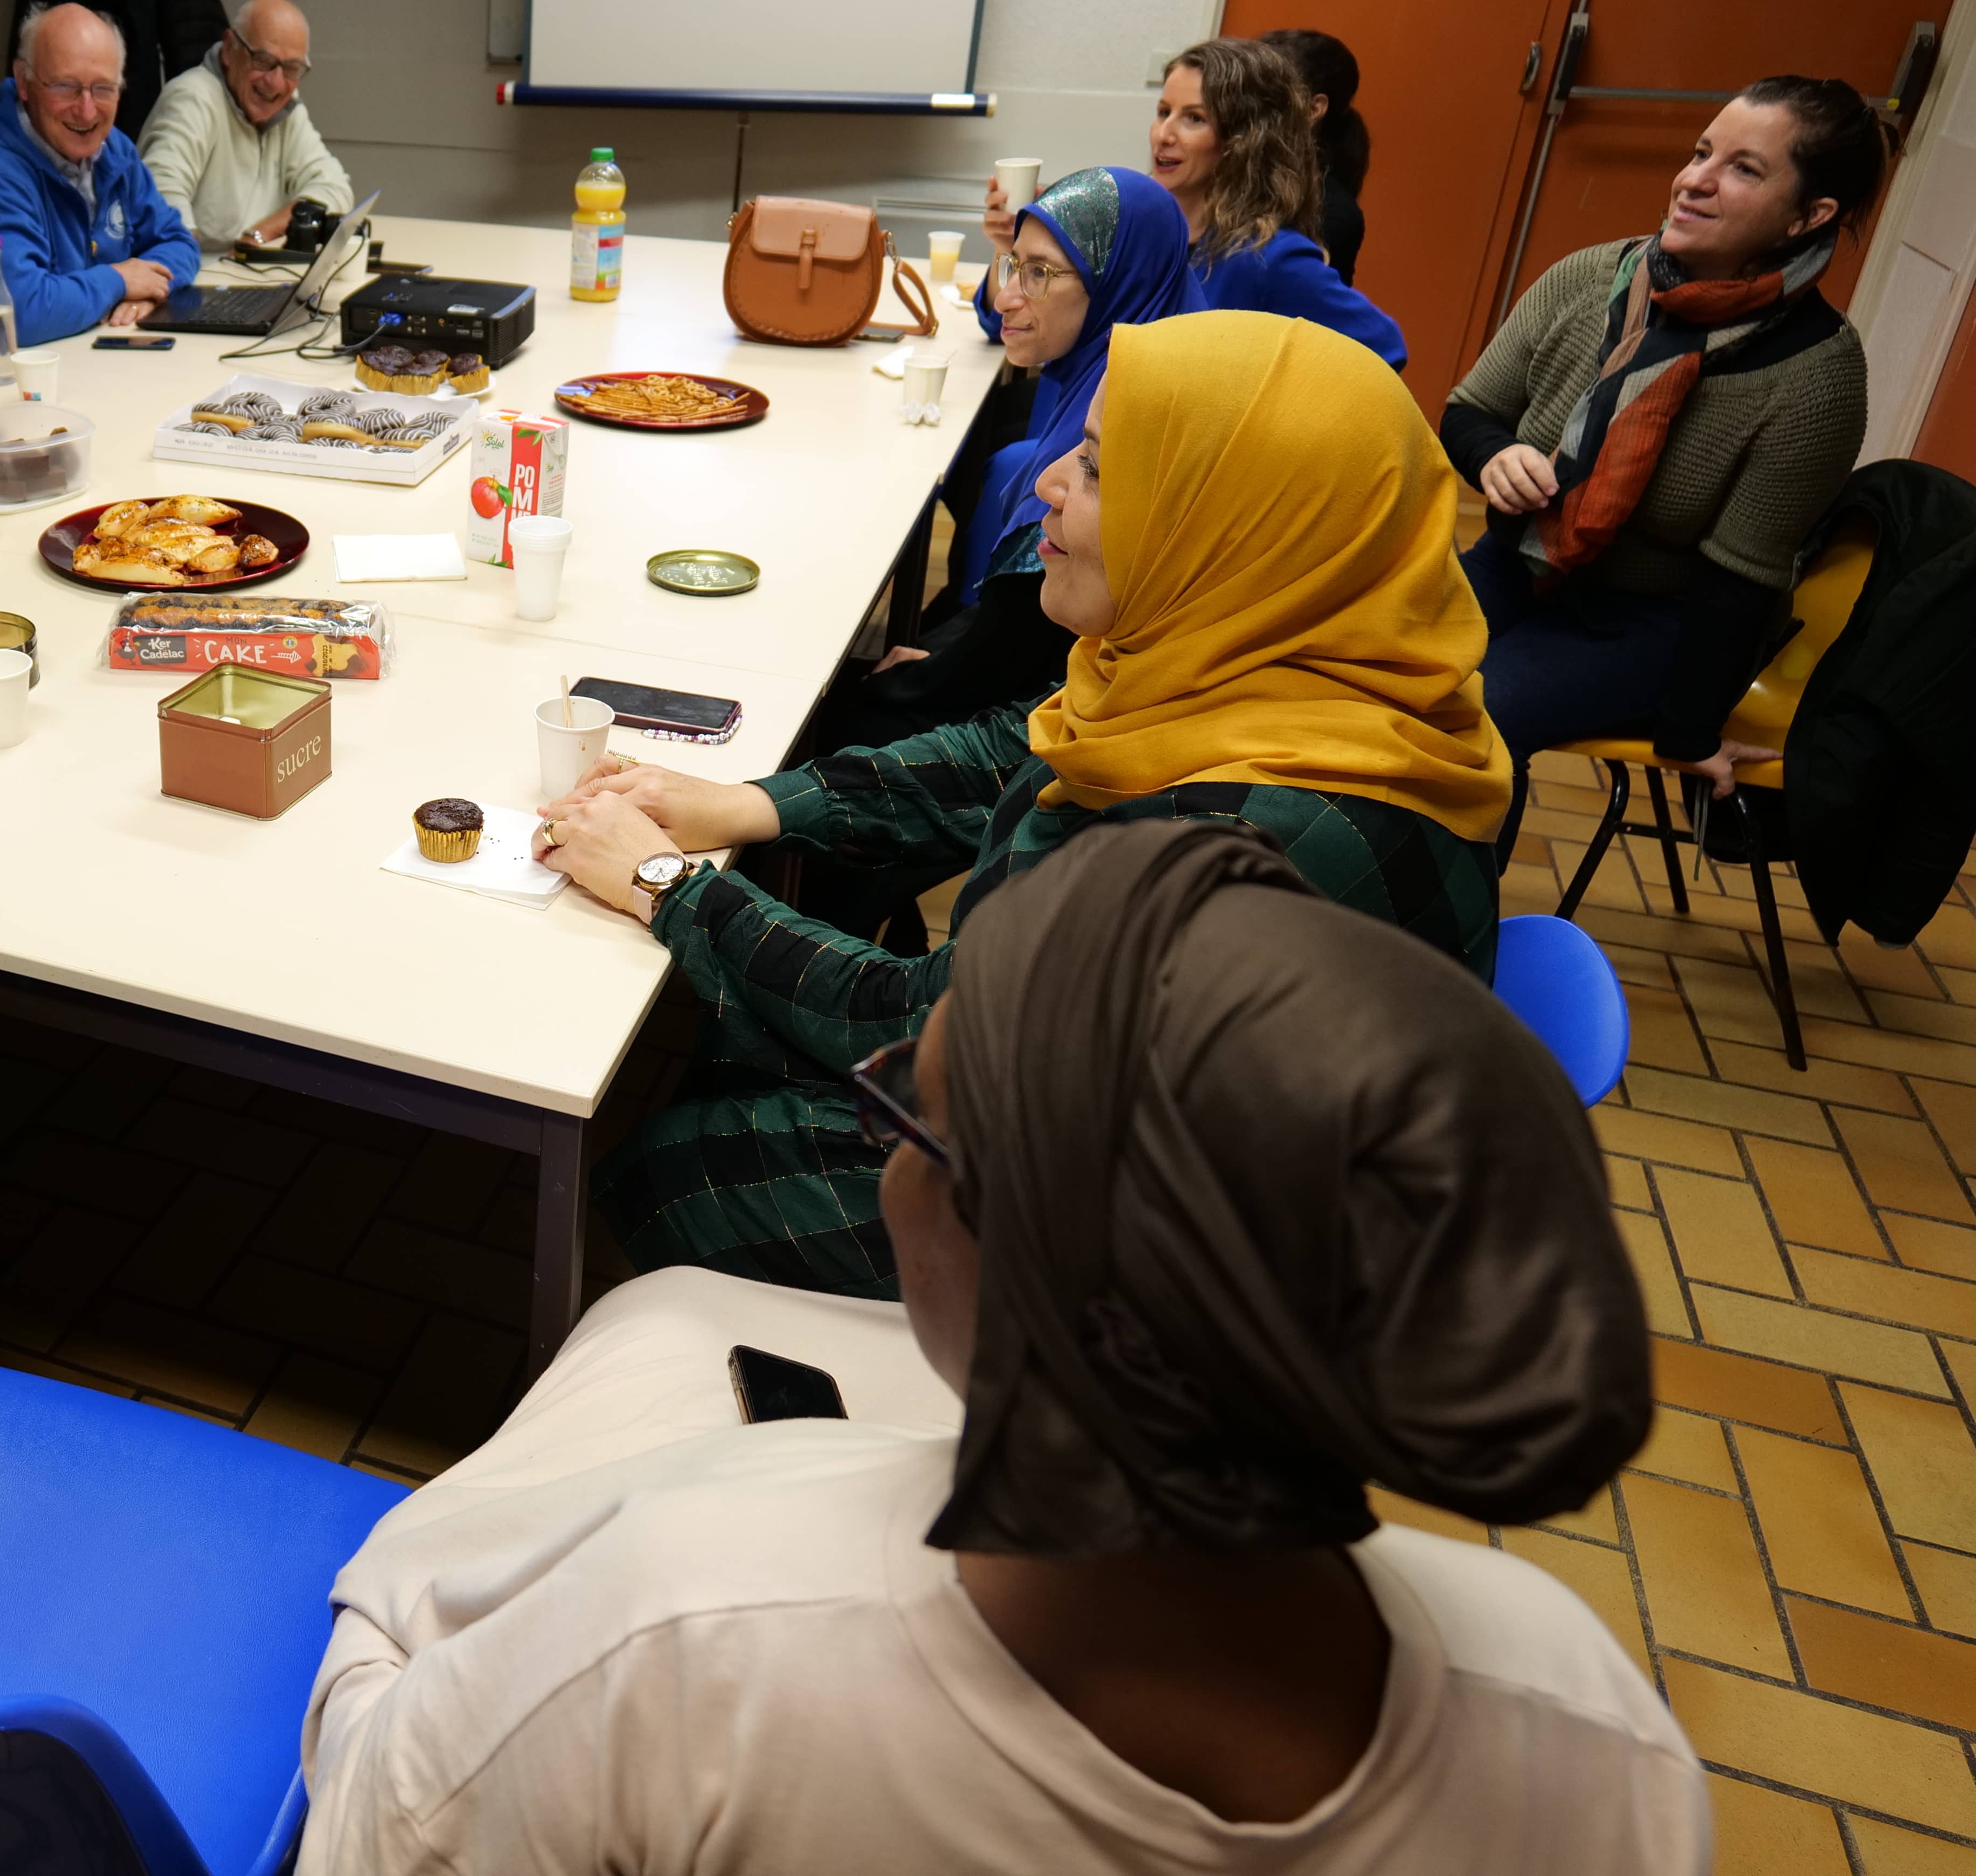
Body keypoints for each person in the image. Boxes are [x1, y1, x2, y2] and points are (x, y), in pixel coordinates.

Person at [298, 822, 1700, 1876]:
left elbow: (378, 1826)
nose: (885, 1145)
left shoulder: (693, 1641)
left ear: (1021, 1269)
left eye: (907, 1115)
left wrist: (395, 1603)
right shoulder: (1602, 1737)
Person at [540, 311, 1510, 1295]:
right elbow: (1008, 748)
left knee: (676, 1159)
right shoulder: (1285, 670)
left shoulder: (1223, 842)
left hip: (1164, 1256)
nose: (1045, 484)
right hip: (1158, 1131)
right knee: (726, 1037)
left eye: (1092, 467)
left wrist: (667, 884)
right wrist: (755, 804)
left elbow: (932, 1027)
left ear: (1219, 518)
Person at [1446, 76, 1884, 852]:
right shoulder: (1589, 278)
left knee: (1483, 717)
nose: (1694, 180)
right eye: (1701, 153)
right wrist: (1497, 455)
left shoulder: (1818, 374)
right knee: (1377, 668)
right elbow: (1467, 413)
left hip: (1655, 624)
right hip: (1522, 564)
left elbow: (1737, 583)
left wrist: (1688, 732)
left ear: (1807, 217)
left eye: (1745, 169)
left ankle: (1443, 953)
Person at [798, 167, 1203, 948]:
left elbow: (1031, 646)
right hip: (1027, 665)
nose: (1008, 294)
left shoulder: (1141, 416)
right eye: (1012, 265)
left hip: (1053, 717)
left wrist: (926, 666)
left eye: (1040, 274)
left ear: (1116, 286)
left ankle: (831, 927)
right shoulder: (1102, 364)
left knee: (833, 709)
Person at [984, 37, 1403, 368]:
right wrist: (1011, 247)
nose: (1164, 134)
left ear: (1245, 140)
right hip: (1071, 441)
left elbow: (1382, 349)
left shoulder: (1263, 257)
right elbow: (999, 324)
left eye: (1194, 119)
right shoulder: (1129, 226)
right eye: (1164, 111)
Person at [0, 3, 200, 344]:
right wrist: (118, 281)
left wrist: (147, 291)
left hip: (98, 358)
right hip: (7, 380)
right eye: (65, 86)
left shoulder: (114, 149)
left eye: (104, 88)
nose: (87, 110)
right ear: (24, 82)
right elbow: (19, 314)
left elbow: (179, 243)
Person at [136, 0, 354, 254]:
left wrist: (259, 235)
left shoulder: (286, 107)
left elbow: (335, 188)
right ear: (230, 49)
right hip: (194, 276)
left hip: (246, 273)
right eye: (263, 61)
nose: (275, 83)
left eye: (291, 68)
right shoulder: (193, 98)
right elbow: (161, 201)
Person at [1261, 26, 1372, 286]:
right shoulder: (1215, 171)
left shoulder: (1334, 214)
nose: (1241, 105)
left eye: (1263, 94)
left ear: (1313, 109)